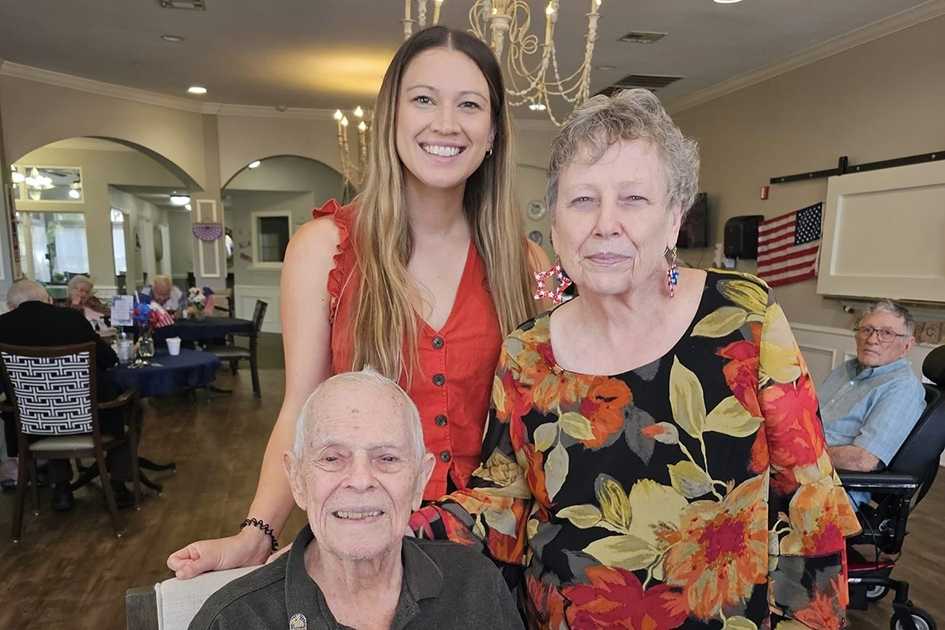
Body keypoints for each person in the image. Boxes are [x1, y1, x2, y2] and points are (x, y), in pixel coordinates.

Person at [409, 89, 861, 629]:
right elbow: (504, 500)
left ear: (673, 220)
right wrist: (395, 527)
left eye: (633, 199)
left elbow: (810, 505)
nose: (605, 224)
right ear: (554, 224)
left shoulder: (744, 317)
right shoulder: (528, 351)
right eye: (582, 200)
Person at [168, 26, 545, 578]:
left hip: (498, 553)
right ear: (390, 119)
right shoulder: (322, 250)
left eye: (469, 104)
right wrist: (257, 533)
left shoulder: (530, 262)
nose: (446, 123)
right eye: (423, 100)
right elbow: (300, 406)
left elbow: (563, 404)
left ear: (492, 133)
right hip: (364, 540)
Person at [189, 369, 523, 629]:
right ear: (297, 479)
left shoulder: (475, 586)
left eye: (387, 458)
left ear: (420, 480)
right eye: (333, 458)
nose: (361, 481)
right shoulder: (232, 620)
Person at [0, 279, 135, 510]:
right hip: (89, 420)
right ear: (49, 301)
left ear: (11, 307)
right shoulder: (72, 319)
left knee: (46, 411)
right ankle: (118, 484)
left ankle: (60, 488)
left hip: (31, 426)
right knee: (130, 406)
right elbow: (108, 359)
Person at [821, 301, 925, 477]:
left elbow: (863, 460)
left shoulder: (902, 388)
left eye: (886, 333)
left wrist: (800, 457)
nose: (871, 340)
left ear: (907, 345)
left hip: (829, 484)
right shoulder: (845, 369)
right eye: (866, 330)